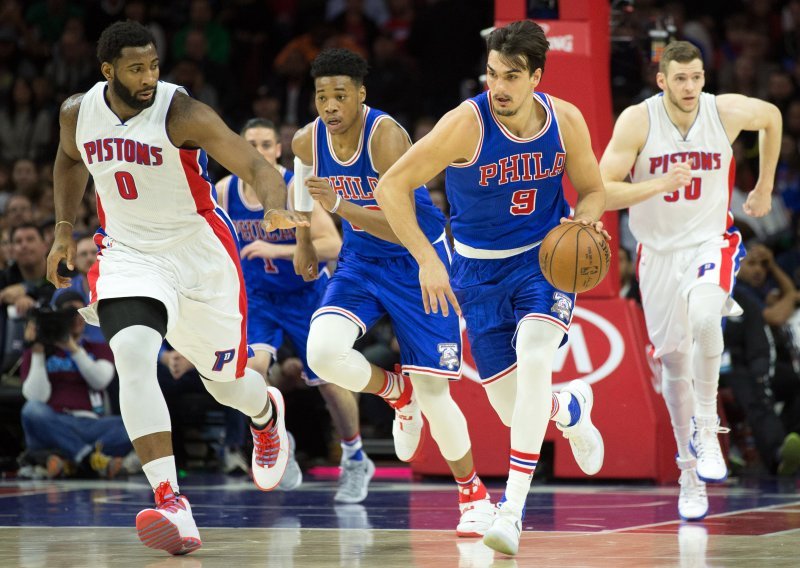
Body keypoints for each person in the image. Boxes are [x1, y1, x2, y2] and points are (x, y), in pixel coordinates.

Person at [47, 21, 305, 556]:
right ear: (107, 70)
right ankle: (171, 501)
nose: (148, 77)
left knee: (225, 385)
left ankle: (265, 416)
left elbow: (255, 163)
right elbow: (69, 159)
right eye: (136, 68)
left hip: (198, 255)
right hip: (129, 253)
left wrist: (275, 200)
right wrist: (62, 233)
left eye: (154, 65)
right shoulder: (78, 113)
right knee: (134, 356)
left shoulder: (180, 112)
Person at [375, 21, 606, 556]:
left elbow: (593, 190)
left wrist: (585, 223)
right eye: (492, 73)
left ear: (537, 78)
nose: (498, 85)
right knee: (510, 406)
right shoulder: (466, 125)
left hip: (543, 264)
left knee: (534, 352)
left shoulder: (565, 120)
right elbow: (392, 187)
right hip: (477, 273)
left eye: (511, 76)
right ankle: (569, 409)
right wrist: (428, 259)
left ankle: (513, 509)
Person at [292, 48, 494, 537]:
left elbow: (398, 224)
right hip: (361, 262)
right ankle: (394, 392)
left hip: (417, 258)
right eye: (322, 96)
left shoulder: (386, 137)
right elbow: (303, 181)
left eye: (340, 95)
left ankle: (473, 495)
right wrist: (303, 241)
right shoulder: (306, 140)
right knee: (320, 353)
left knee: (436, 391)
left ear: (361, 96)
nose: (330, 105)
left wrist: (340, 204)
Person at [598, 41, 782, 520]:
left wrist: (763, 186)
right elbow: (601, 190)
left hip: (709, 242)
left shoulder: (722, 112)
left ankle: (707, 425)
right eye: (680, 78)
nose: (690, 87)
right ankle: (688, 473)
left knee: (706, 319)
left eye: (697, 77)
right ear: (662, 80)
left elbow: (772, 117)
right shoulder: (639, 121)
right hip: (657, 255)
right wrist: (658, 184)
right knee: (675, 369)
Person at [216, 118, 372, 502]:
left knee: (330, 383)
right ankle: (277, 439)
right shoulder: (223, 191)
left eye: (266, 143)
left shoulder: (294, 186)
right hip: (259, 299)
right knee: (250, 373)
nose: (258, 150)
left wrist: (278, 250)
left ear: (277, 149)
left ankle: (355, 457)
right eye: (250, 143)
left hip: (306, 296)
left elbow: (333, 244)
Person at [19, 290, 137, 479]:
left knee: (132, 424)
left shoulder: (98, 348)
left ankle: (66, 459)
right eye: (69, 313)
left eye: (82, 312)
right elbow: (37, 397)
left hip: (89, 424)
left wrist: (72, 348)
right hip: (53, 421)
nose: (76, 318)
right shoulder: (36, 351)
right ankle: (90, 459)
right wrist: (39, 351)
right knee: (32, 410)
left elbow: (100, 380)